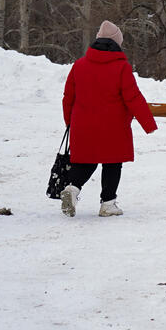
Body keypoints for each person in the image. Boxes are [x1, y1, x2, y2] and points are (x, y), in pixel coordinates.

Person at [60, 20, 157, 217]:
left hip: (83, 125)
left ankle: (72, 189)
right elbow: (133, 97)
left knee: (86, 161)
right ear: (117, 43)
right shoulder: (121, 67)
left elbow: (68, 97)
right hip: (113, 127)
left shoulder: (79, 65)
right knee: (113, 163)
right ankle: (108, 203)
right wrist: (148, 123)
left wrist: (69, 121)